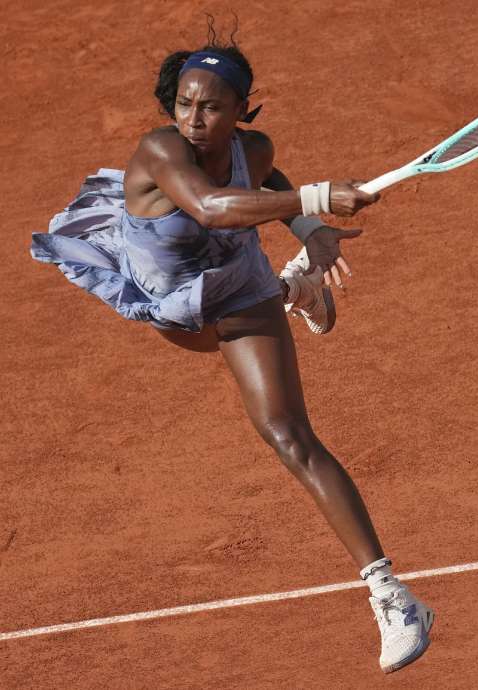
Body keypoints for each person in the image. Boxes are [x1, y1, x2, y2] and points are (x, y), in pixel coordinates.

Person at [28, 28, 432, 675]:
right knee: (189, 336)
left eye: (211, 106)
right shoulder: (160, 151)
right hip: (170, 293)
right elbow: (213, 207)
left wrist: (307, 225)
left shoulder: (254, 148)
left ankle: (391, 594)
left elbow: (263, 171)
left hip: (235, 279)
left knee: (286, 433)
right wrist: (317, 198)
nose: (192, 118)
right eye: (185, 103)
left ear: (241, 109)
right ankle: (293, 286)